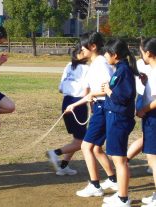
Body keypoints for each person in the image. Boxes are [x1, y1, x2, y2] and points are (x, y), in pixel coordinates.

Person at [65, 32, 117, 197]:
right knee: (95, 148)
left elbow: (108, 88)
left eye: (83, 45)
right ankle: (113, 180)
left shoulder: (100, 63)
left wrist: (81, 101)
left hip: (103, 108)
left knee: (86, 146)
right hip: (99, 107)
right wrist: (82, 102)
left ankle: (95, 185)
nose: (81, 49)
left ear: (93, 46)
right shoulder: (94, 63)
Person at [100, 39, 137, 207]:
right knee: (119, 159)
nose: (105, 56)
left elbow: (124, 97)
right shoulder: (120, 70)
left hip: (119, 118)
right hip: (114, 116)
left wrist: (108, 91)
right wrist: (109, 89)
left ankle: (123, 199)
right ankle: (121, 193)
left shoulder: (124, 71)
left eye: (107, 53)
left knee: (119, 160)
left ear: (115, 55)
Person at [47, 43, 89, 176]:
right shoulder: (86, 68)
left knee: (77, 139)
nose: (86, 52)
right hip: (78, 104)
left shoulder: (68, 66)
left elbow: (60, 88)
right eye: (83, 51)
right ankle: (55, 153)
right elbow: (86, 91)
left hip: (66, 102)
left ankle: (64, 166)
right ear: (78, 54)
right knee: (83, 141)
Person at [136, 37, 156, 207]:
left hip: (154, 116)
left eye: (142, 52)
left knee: (153, 159)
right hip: (152, 116)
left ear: (148, 53)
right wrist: (145, 83)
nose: (141, 55)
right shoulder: (152, 71)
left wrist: (144, 110)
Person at [126, 58, 152, 174]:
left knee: (147, 137)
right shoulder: (145, 62)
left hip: (144, 98)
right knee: (147, 137)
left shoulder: (140, 62)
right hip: (147, 99)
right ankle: (125, 159)